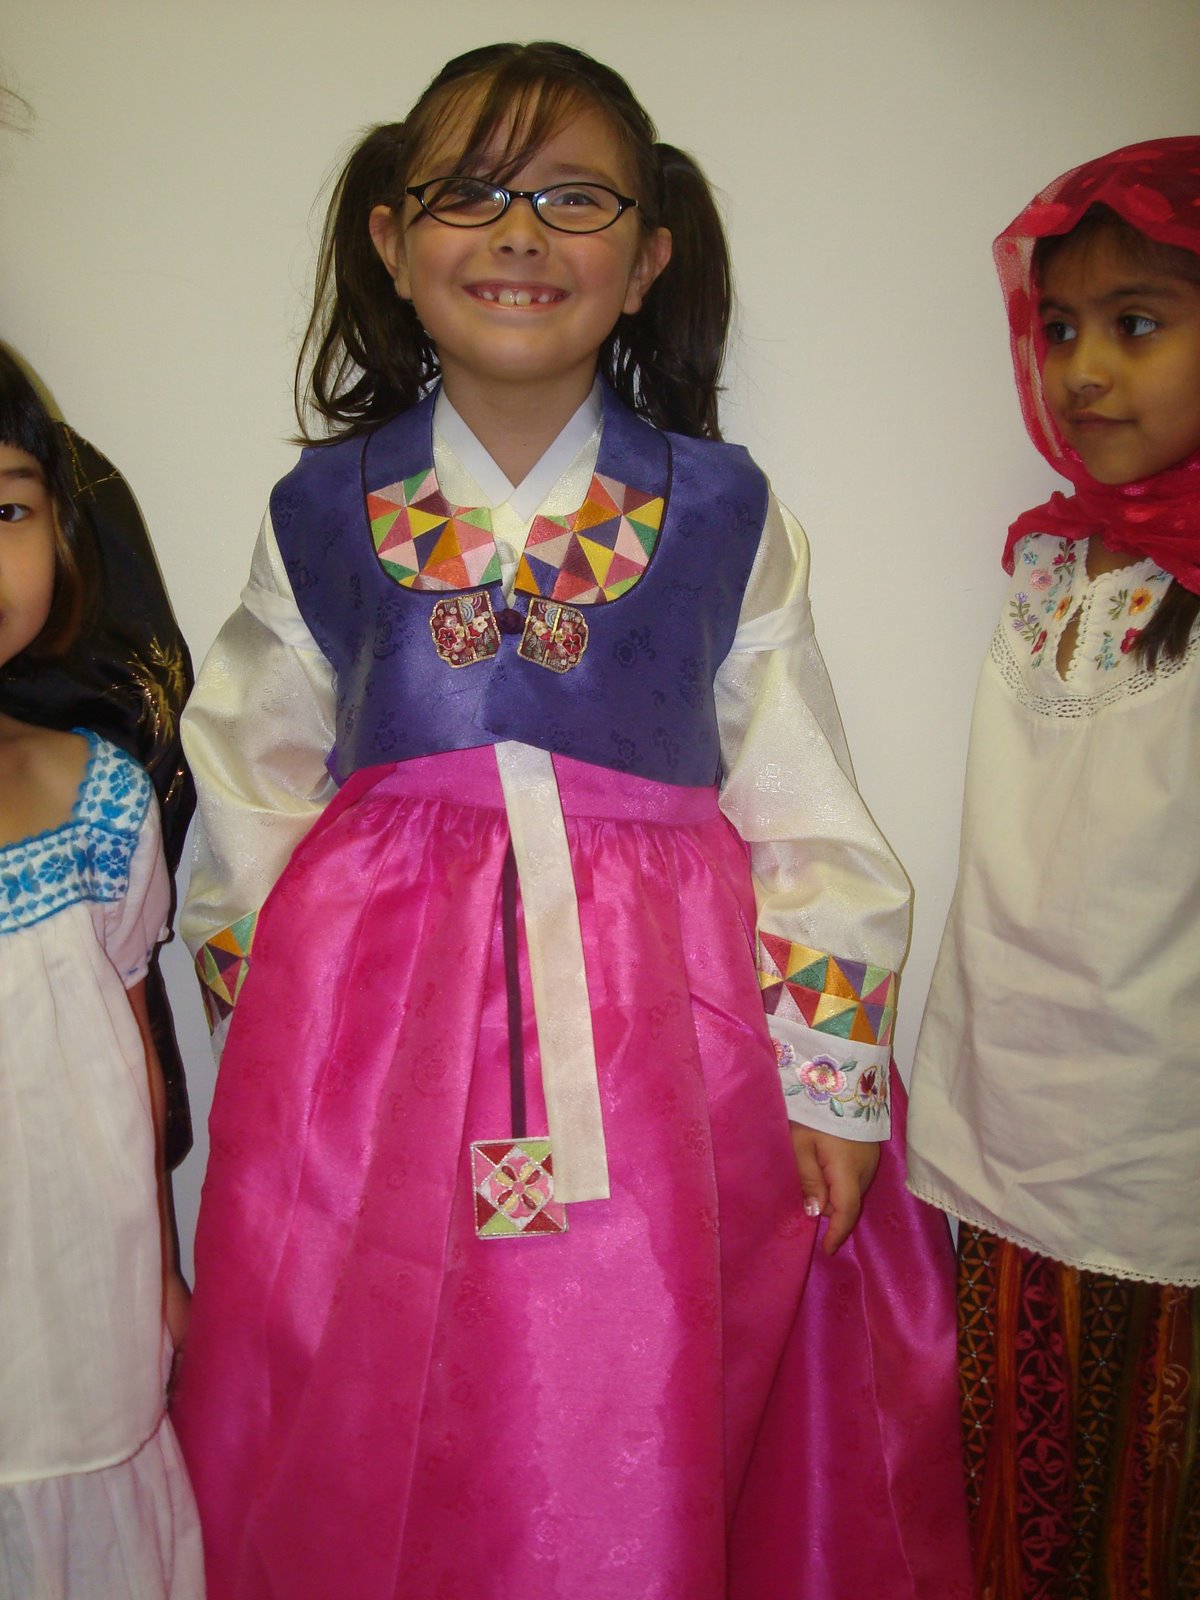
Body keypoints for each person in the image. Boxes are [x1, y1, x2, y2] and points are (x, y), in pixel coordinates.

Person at [175, 41, 971, 1600]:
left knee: (633, 1359)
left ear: (649, 253)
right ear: (392, 240)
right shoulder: (323, 514)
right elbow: (248, 776)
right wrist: (283, 1027)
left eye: (572, 198)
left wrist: (827, 1078)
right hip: (384, 1039)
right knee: (389, 1362)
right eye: (469, 193)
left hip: (665, 1039)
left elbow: (800, 794)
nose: (520, 233)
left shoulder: (723, 510)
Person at [907, 137, 1200, 1599]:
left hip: (1160, 1159)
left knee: (1144, 1520)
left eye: (1138, 323)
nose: (1085, 367)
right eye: (1063, 325)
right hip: (1000, 1128)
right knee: (1002, 1516)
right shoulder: (1048, 563)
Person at [0, 348, 204, 1598]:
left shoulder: (101, 798)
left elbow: (135, 1060)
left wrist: (165, 1277)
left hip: (83, 1321)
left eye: (4, 508)